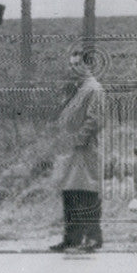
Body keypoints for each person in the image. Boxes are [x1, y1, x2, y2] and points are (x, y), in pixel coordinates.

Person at [49, 49, 105, 252]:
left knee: (86, 192)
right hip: (72, 149)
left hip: (85, 149)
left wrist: (79, 139)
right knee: (71, 193)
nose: (73, 69)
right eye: (71, 65)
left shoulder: (93, 89)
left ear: (88, 65)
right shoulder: (78, 88)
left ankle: (92, 237)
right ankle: (72, 238)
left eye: (77, 64)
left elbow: (95, 119)